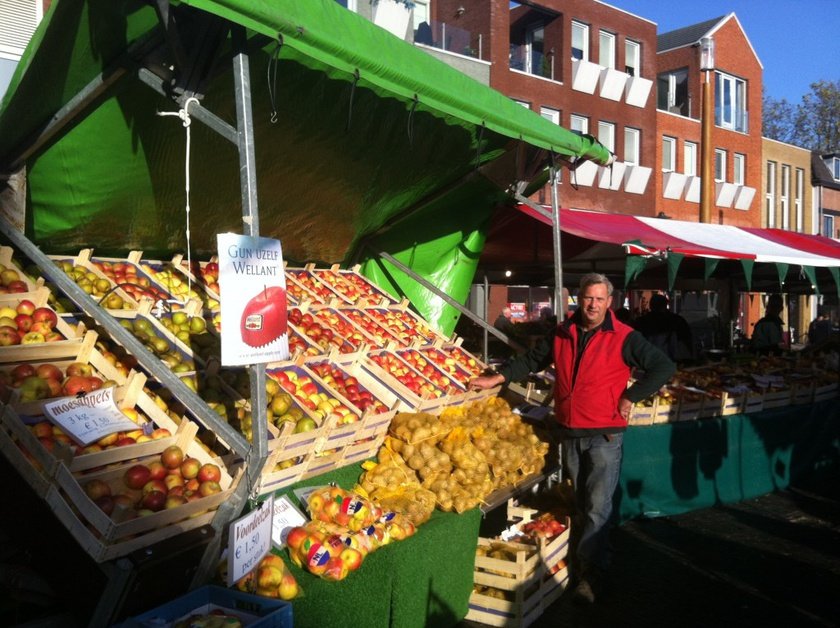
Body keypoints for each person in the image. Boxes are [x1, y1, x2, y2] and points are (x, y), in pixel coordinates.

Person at [470, 273, 675, 605]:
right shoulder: (563, 332)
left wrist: (631, 396)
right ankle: (589, 556)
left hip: (605, 434)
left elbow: (663, 366)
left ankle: (591, 575)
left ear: (610, 302)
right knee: (581, 502)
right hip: (571, 431)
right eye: (587, 298)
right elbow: (532, 360)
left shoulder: (625, 337)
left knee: (597, 506)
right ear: (579, 300)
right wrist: (499, 376)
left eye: (599, 299)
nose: (592, 305)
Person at [632, 293, 693, 361]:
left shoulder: (641, 321)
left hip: (646, 360)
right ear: (665, 305)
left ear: (650, 305)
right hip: (671, 361)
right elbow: (687, 340)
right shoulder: (676, 321)